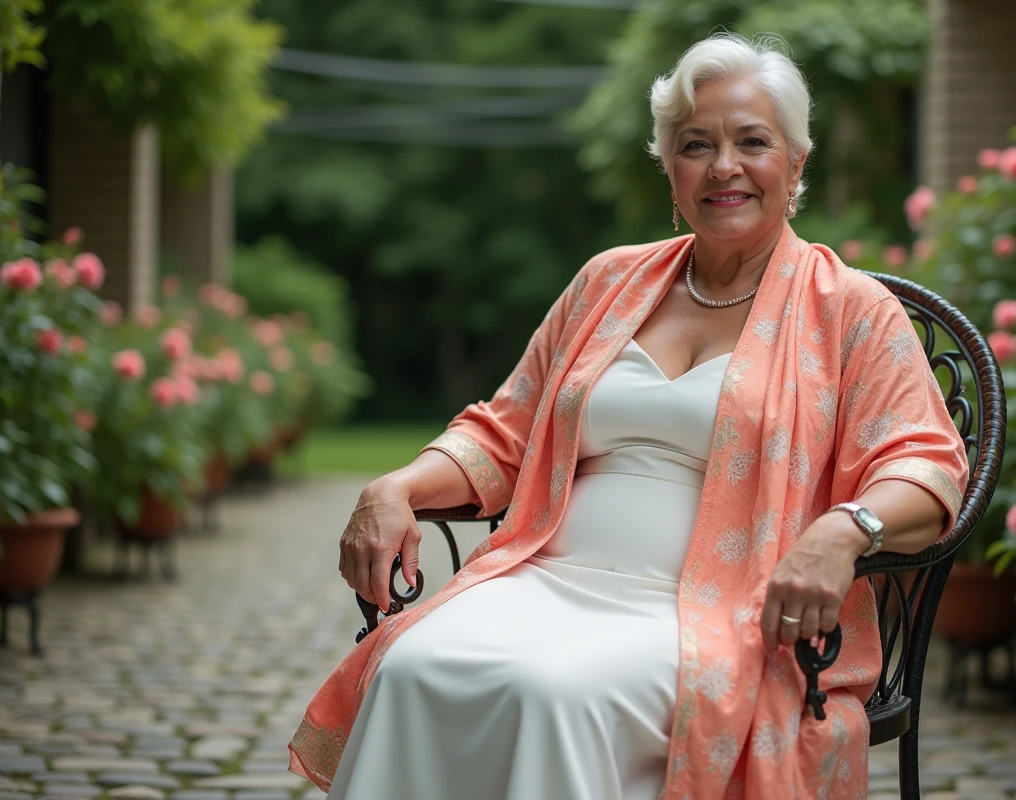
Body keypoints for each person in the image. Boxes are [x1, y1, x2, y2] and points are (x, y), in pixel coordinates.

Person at [290, 32, 969, 800]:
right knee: (414, 666)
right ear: (669, 169)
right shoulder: (606, 283)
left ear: (797, 162)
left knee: (552, 692)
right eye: (695, 145)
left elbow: (926, 466)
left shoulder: (850, 310)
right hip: (542, 576)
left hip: (717, 610)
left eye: (752, 141)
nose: (723, 167)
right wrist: (397, 487)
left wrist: (846, 532)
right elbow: (502, 433)